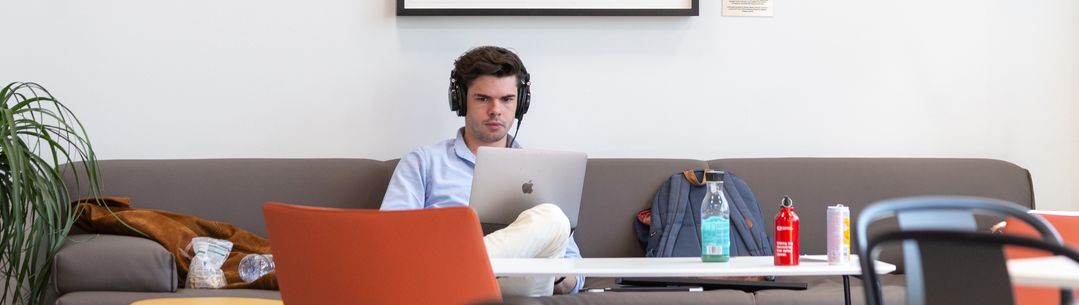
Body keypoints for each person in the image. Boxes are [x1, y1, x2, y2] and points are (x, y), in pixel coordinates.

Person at [380, 46, 585, 296]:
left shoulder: (541, 171)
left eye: (507, 99)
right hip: (439, 283)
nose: (496, 110)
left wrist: (557, 275)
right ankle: (459, 270)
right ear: (460, 100)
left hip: (516, 288)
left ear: (521, 104)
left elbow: (575, 272)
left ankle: (460, 268)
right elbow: (389, 241)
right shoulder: (423, 162)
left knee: (553, 219)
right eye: (483, 98)